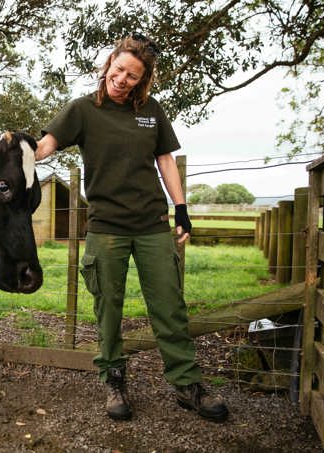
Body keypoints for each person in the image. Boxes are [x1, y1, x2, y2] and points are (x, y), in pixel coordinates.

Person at [35, 34, 228, 422]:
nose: (122, 79)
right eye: (119, 70)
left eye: (133, 76)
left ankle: (186, 384)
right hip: (106, 227)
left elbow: (166, 161)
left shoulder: (151, 111)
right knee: (108, 308)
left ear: (143, 80)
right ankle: (114, 379)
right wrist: (19, 148)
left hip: (152, 224)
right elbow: (46, 145)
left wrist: (182, 208)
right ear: (109, 65)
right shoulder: (83, 110)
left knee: (169, 307)